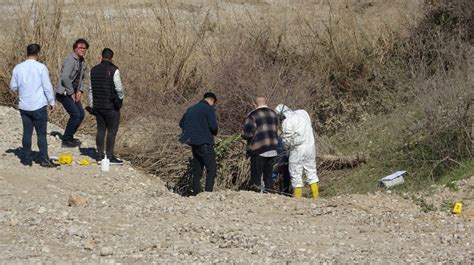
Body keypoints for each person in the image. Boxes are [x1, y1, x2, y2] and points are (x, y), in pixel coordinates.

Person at [9, 43, 57, 167]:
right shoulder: (41, 67)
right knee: (41, 134)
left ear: (27, 53)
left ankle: (26, 159)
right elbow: (47, 86)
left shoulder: (18, 68)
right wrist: (51, 101)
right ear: (38, 54)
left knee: (27, 132)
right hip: (38, 105)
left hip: (24, 105)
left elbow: (13, 87)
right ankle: (44, 159)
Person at [274, 104, 319, 199]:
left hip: (297, 149)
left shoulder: (287, 121)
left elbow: (287, 139)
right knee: (311, 172)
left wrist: (285, 146)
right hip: (310, 147)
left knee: (295, 174)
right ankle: (316, 197)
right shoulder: (303, 114)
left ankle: (297, 199)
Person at [88, 48, 124, 165]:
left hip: (98, 106)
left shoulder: (93, 70)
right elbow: (119, 88)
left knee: (100, 130)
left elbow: (90, 89)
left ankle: (99, 155)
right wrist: (120, 100)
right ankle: (109, 156)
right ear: (112, 58)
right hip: (111, 107)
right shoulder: (114, 70)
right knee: (112, 132)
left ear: (101, 56)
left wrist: (92, 105)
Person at [179, 92, 218, 195]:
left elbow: (181, 123)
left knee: (197, 168)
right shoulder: (208, 109)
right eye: (214, 104)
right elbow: (213, 127)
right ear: (212, 100)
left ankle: (196, 192)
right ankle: (208, 193)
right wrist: (212, 132)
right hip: (204, 142)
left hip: (193, 143)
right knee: (211, 169)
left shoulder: (191, 109)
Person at [56, 38, 89, 148]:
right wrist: (71, 93)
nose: (82, 50)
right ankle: (65, 140)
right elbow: (65, 77)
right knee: (75, 115)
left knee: (81, 115)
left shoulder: (83, 62)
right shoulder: (70, 60)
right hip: (64, 92)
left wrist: (80, 90)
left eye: (84, 48)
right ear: (75, 48)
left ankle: (69, 137)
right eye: (80, 47)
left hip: (74, 92)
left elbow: (85, 78)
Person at [241, 96, 279, 192]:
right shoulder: (274, 114)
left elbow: (247, 134)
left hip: (259, 149)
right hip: (273, 149)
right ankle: (270, 197)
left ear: (255, 103)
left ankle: (256, 200)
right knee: (269, 178)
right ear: (265, 102)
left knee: (256, 179)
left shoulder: (253, 115)